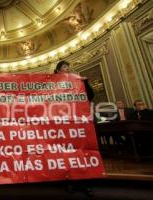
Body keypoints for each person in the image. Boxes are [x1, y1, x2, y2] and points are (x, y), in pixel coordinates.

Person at [54, 60, 94, 197]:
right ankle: (70, 181)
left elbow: (90, 97)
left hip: (78, 122)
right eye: (64, 67)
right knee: (67, 153)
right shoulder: (53, 85)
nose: (67, 69)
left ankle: (86, 183)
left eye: (68, 67)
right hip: (62, 123)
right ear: (58, 71)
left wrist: (85, 83)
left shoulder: (77, 80)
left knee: (83, 152)